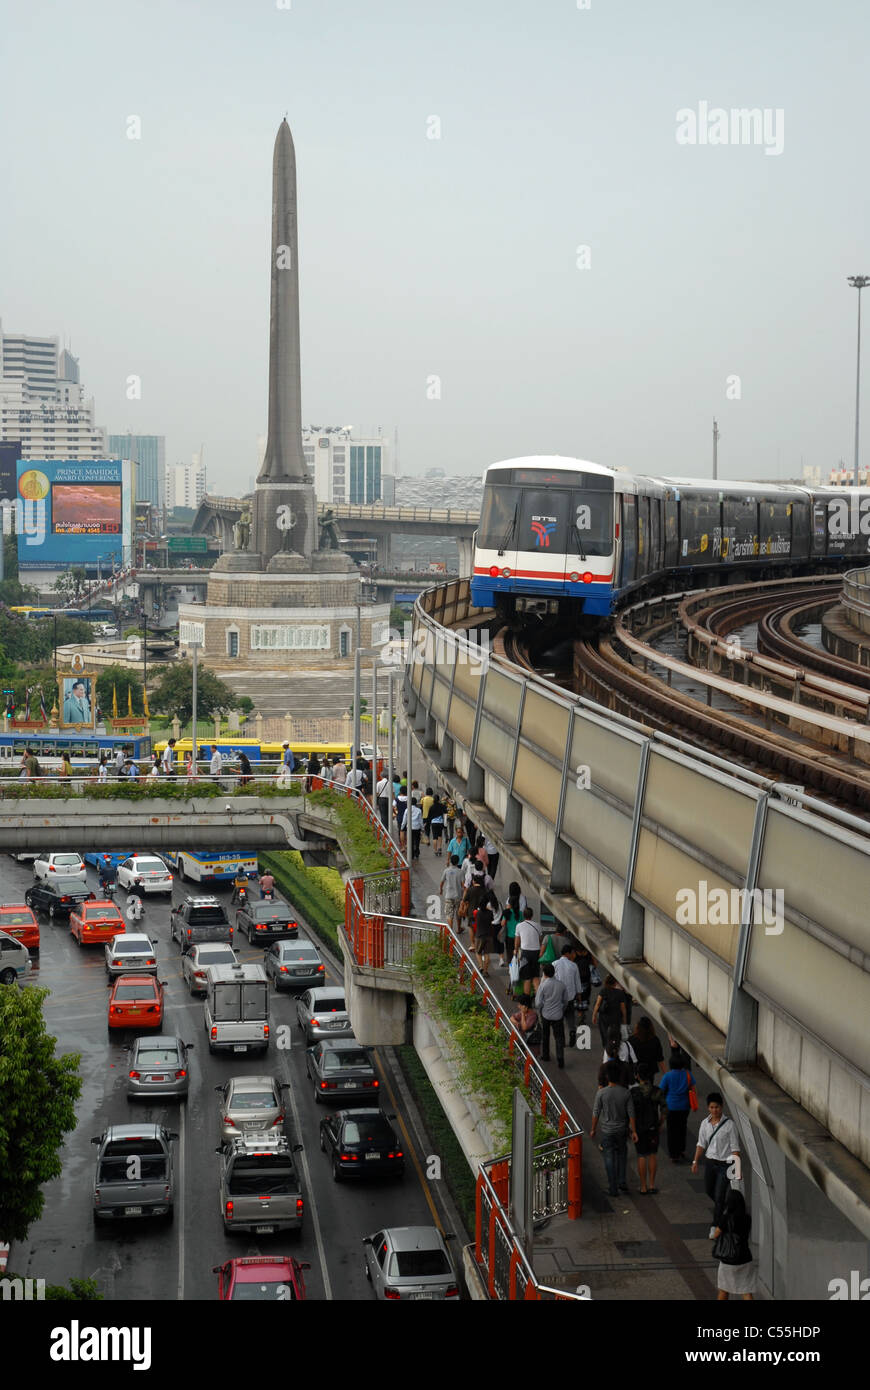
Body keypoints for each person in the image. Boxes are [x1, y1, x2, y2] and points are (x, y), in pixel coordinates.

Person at [692, 1092, 741, 1238]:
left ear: (722, 1107)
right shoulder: (704, 1124)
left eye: (717, 1107)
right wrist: (695, 1161)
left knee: (719, 1196)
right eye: (712, 1107)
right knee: (709, 1191)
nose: (715, 1110)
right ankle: (727, 1210)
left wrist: (736, 1170)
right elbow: (701, 1143)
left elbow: (735, 1149)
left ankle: (716, 1225)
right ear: (708, 1108)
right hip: (710, 1163)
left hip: (724, 1165)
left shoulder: (730, 1125)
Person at [589, 1061, 638, 1198]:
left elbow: (596, 1112)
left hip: (607, 1131)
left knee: (609, 1157)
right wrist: (634, 1131)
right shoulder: (626, 1093)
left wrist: (593, 1129)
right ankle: (622, 1180)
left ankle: (613, 1187)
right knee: (622, 1155)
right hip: (622, 1130)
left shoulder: (601, 1093)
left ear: (608, 1077)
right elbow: (631, 1113)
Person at [631, 1063, 667, 1195]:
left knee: (641, 1155)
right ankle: (652, 1185)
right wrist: (660, 1124)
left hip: (639, 1128)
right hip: (653, 1127)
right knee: (652, 1154)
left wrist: (633, 1129)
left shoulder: (633, 1093)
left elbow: (631, 1113)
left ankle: (643, 1187)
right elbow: (664, 1110)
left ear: (637, 1076)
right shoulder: (657, 1091)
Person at [713, 1189, 755, 1301]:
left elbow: (715, 1234)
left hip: (728, 1259)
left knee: (724, 1289)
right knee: (746, 1291)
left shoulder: (726, 1218)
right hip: (745, 1257)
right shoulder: (747, 1218)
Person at [658, 1051, 696, 1165]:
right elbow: (693, 1088)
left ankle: (673, 1154)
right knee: (682, 1128)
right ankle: (681, 1150)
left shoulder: (667, 1076)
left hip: (671, 1106)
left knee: (672, 1130)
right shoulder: (688, 1074)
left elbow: (661, 1090)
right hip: (684, 1106)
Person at [535, 962, 568, 1067]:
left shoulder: (543, 985)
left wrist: (541, 1009)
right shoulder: (561, 985)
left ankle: (546, 1055)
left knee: (545, 1036)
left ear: (544, 973)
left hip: (546, 1014)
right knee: (558, 1037)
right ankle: (560, 1059)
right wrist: (562, 1009)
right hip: (558, 1015)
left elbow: (538, 1003)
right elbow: (565, 1000)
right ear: (554, 972)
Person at [553, 945, 582, 1046]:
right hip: (570, 997)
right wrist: (579, 995)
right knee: (570, 1016)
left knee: (559, 1018)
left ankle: (561, 1039)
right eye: (572, 953)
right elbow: (577, 982)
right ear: (568, 953)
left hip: (558, 997)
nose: (573, 955)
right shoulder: (574, 965)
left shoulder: (554, 964)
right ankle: (572, 1031)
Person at [591, 974, 628, 1047]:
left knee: (605, 1034)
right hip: (616, 1018)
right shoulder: (620, 993)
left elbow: (597, 1004)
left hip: (604, 1018)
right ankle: (614, 1048)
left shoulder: (603, 991)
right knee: (615, 1034)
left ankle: (606, 1049)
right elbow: (623, 1009)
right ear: (615, 983)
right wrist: (624, 1019)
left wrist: (594, 1015)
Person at [514, 906, 542, 997]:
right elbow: (539, 940)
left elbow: (517, 940)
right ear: (532, 915)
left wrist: (515, 949)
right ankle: (538, 999)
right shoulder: (538, 925)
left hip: (525, 953)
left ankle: (527, 1000)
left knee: (527, 978)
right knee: (535, 977)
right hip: (536, 952)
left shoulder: (519, 925)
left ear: (523, 915)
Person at [472, 889, 499, 977]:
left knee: (478, 952)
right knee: (487, 954)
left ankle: (480, 966)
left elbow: (473, 921)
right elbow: (492, 920)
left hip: (479, 935)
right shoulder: (490, 913)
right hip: (489, 935)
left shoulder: (477, 913)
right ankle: (486, 971)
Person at [439, 855, 463, 931]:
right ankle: (459, 928)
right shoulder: (461, 872)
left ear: (450, 862)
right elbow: (463, 885)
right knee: (458, 913)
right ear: (458, 862)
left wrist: (441, 890)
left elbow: (442, 882)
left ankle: (450, 932)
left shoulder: (446, 871)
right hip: (458, 896)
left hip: (448, 896)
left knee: (449, 915)